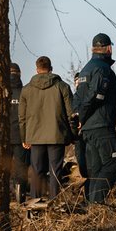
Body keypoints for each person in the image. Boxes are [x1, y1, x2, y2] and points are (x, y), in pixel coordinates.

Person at [72, 33, 116, 204]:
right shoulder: (102, 69)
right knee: (112, 165)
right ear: (109, 48)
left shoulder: (85, 69)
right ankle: (96, 206)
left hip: (88, 130)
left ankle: (92, 209)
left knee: (96, 170)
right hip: (101, 126)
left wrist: (77, 117)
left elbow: (77, 98)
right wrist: (82, 117)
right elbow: (94, 96)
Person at [19, 55, 74, 201]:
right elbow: (71, 114)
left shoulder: (26, 90)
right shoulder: (63, 87)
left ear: (37, 70)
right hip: (57, 135)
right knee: (55, 171)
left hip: (35, 136)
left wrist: (24, 137)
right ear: (51, 69)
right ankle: (54, 202)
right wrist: (72, 135)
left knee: (37, 171)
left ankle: (35, 203)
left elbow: (22, 118)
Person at [8, 63, 30, 200]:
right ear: (20, 74)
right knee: (21, 167)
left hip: (4, 137)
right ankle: (20, 196)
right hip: (22, 137)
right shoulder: (25, 93)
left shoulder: (2, 92)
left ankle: (4, 195)